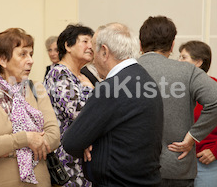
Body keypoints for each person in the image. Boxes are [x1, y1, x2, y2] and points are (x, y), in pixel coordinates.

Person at [62, 22, 164, 186]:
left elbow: (71, 142)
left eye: (94, 50)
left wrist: (88, 142)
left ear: (104, 51)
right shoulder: (146, 81)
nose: (92, 59)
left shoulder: (112, 88)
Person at [137, 15, 217, 186]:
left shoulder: (125, 71)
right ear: (172, 45)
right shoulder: (187, 72)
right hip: (177, 165)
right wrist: (193, 136)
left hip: (136, 167)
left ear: (140, 44)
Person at [0, 28, 60, 186]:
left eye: (31, 54)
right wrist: (25, 140)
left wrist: (3, 148)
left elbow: (54, 136)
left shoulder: (37, 89)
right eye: (23, 54)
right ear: (2, 60)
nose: (30, 60)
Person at [44, 24, 94, 186]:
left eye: (92, 43)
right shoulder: (60, 73)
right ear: (68, 45)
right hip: (67, 159)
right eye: (85, 41)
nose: (90, 47)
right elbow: (79, 113)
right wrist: (89, 89)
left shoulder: (80, 75)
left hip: (80, 156)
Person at [178, 40, 217, 187]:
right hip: (179, 163)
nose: (178, 61)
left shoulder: (216, 88)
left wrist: (216, 150)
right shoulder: (175, 89)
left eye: (183, 57)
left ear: (198, 62)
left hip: (207, 163)